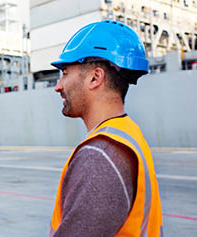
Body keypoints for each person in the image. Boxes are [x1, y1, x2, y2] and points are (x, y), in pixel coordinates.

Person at [49, 20, 163, 236]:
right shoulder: (128, 133)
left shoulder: (101, 155)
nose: (58, 86)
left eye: (64, 73)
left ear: (95, 78)